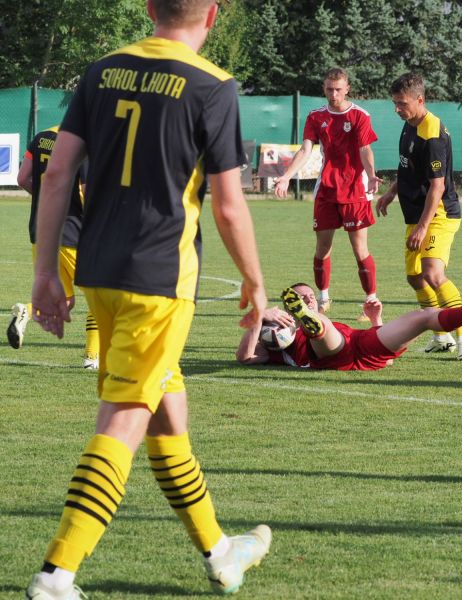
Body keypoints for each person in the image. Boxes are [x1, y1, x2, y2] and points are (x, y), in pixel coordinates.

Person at [26, 1, 295, 598]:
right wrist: (255, 287)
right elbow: (228, 205)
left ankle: (220, 550)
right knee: (124, 420)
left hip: (97, 270)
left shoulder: (101, 70)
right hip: (158, 280)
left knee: (168, 413)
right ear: (214, 15)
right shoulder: (214, 86)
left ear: (149, 8)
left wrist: (46, 271)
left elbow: (56, 174)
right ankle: (56, 576)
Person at [376, 73, 462, 361]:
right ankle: (440, 336)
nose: (397, 108)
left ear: (420, 100)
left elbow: (438, 185)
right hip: (415, 214)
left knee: (432, 273)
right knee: (415, 278)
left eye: (402, 103)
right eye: (394, 103)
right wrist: (391, 193)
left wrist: (422, 227)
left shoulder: (432, 133)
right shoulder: (409, 125)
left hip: (439, 213)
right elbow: (407, 167)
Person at [237, 267, 462, 371]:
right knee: (323, 331)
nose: (309, 298)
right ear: (289, 308)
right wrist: (259, 317)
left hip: (363, 346)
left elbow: (390, 359)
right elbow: (244, 357)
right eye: (300, 298)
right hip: (327, 353)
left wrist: (376, 320)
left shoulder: (310, 319)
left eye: (310, 297)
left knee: (425, 316)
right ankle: (315, 326)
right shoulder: (279, 332)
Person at [274, 67, 381, 320]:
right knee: (322, 250)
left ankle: (371, 301)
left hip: (355, 191)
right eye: (329, 89)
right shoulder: (315, 117)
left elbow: (365, 149)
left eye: (338, 89)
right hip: (327, 191)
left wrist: (372, 174)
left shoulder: (359, 116)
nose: (333, 94)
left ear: (347, 89)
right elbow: (305, 150)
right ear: (324, 89)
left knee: (360, 250)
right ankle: (322, 299)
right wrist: (287, 176)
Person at [8, 126, 100, 369]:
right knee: (98, 299)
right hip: (71, 233)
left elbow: (21, 179)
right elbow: (86, 192)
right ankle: (92, 358)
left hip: (40, 232)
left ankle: (25, 312)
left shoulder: (41, 138)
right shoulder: (82, 142)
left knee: (65, 301)